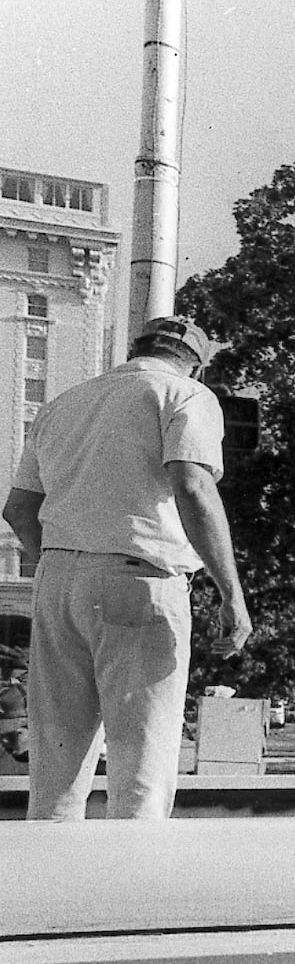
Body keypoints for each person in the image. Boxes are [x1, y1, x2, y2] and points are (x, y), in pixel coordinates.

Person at [2, 316, 251, 820]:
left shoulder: (63, 404)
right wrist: (232, 592)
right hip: (139, 578)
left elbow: (18, 510)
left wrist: (65, 558)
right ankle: (131, 894)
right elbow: (193, 487)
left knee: (56, 773)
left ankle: (48, 894)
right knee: (142, 771)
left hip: (56, 581)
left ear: (135, 348)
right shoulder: (184, 394)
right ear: (197, 366)